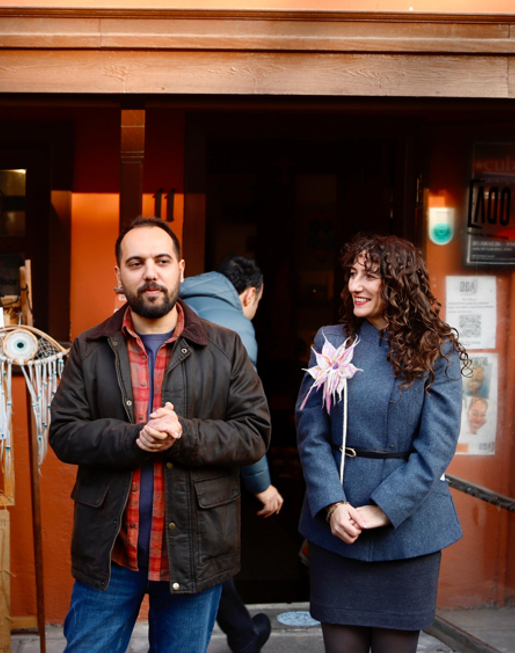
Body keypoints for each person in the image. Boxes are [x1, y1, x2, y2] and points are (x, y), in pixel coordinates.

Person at [48, 216, 271, 653]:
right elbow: (65, 434)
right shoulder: (88, 349)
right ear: (119, 275)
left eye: (162, 261)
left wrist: (183, 435)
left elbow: (253, 433)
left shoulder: (226, 347)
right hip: (111, 553)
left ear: (180, 270)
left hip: (194, 550)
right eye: (136, 263)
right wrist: (135, 438)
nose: (150, 273)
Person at [296, 233, 465, 653]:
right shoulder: (332, 341)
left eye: (369, 276)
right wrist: (332, 504)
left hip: (409, 529)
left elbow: (437, 446)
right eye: (352, 273)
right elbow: (311, 432)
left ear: (399, 282)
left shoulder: (437, 349)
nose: (355, 285)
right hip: (338, 526)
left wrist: (384, 508)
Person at [181, 255, 280, 653]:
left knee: (201, 551)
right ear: (250, 294)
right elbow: (245, 418)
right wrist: (263, 485)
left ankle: (242, 633)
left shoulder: (174, 302)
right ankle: (242, 635)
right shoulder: (236, 326)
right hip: (206, 457)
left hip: (160, 448)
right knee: (209, 550)